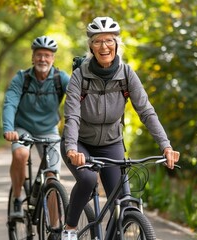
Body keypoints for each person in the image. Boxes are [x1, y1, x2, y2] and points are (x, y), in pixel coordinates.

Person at [60, 17, 180, 240]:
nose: (104, 46)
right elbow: (73, 116)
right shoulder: (80, 76)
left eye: (109, 40)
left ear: (116, 44)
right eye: (97, 41)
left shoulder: (126, 74)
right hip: (80, 143)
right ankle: (69, 228)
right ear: (91, 47)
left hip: (111, 144)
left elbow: (146, 111)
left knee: (122, 202)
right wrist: (71, 149)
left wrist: (166, 145)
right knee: (87, 179)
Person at [2, 35, 69, 219]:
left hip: (49, 130)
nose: (43, 59)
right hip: (23, 128)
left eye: (47, 55)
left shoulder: (60, 78)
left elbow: (77, 98)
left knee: (53, 178)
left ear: (53, 59)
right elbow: (10, 103)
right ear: (33, 57)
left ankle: (54, 229)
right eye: (39, 55)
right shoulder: (21, 78)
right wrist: (9, 128)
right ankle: (17, 198)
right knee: (20, 154)